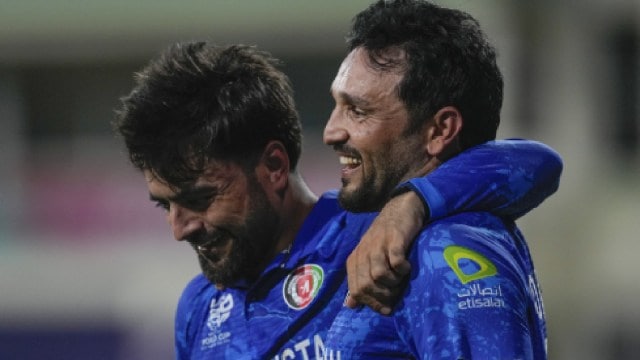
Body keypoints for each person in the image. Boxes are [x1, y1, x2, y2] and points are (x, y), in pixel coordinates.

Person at [113, 42, 561, 358]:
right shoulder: (200, 308)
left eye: (200, 198)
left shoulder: (385, 242)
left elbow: (535, 163)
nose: (180, 228)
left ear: (273, 166)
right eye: (165, 205)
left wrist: (413, 204)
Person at [323, 0, 554, 359]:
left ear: (440, 130)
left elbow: (543, 162)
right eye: (337, 105)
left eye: (358, 110)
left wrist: (412, 202)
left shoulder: (445, 251)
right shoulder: (398, 234)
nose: (331, 131)